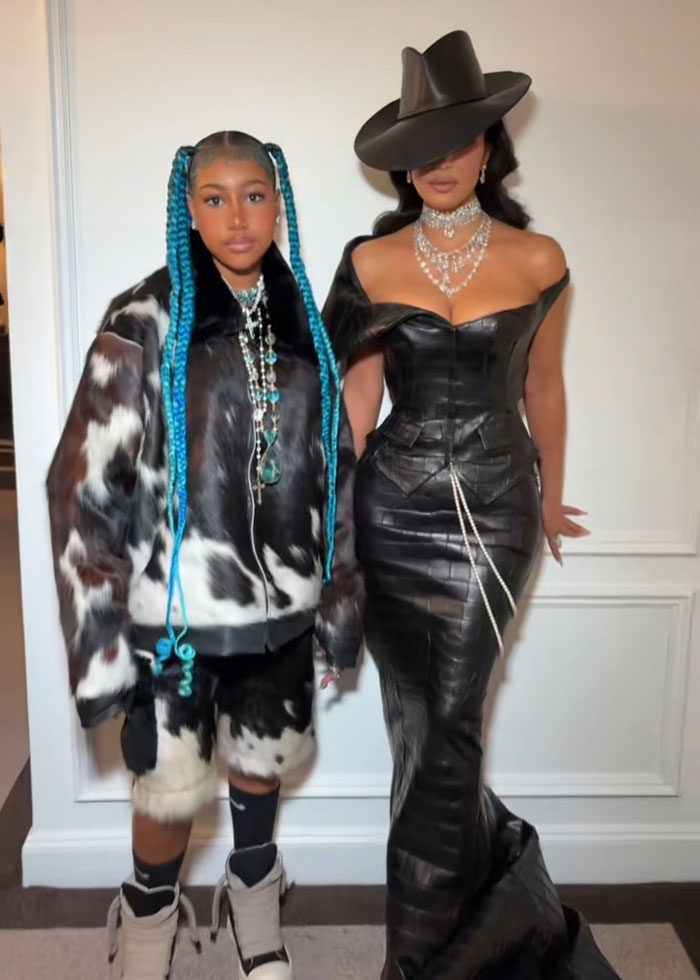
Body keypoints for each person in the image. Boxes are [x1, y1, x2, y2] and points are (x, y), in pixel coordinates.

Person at [324, 30, 618, 980]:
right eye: (424, 147)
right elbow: (358, 404)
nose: (441, 161)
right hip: (391, 518)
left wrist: (554, 500)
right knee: (422, 732)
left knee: (452, 722)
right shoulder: (370, 263)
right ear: (404, 164)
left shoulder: (540, 258)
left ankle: (423, 964)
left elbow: (546, 390)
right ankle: (471, 928)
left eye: (459, 141)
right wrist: (339, 518)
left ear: (489, 147)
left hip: (496, 516)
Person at [47, 130, 363, 980]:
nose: (236, 216)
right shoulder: (143, 318)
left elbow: (337, 470)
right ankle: (147, 919)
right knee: (169, 789)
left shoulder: (307, 329)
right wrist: (104, 654)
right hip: (173, 619)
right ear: (188, 207)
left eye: (254, 194)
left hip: (282, 612)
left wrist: (337, 605)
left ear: (278, 200)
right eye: (214, 197)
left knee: (262, 765)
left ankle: (254, 908)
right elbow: (82, 488)